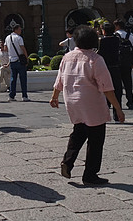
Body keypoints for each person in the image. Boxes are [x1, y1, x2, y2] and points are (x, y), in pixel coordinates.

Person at [52, 25, 124, 185]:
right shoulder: (95, 59)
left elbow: (59, 80)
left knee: (78, 133)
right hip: (92, 103)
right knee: (96, 138)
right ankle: (90, 174)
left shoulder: (67, 57)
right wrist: (118, 108)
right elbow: (107, 87)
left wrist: (54, 97)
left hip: (72, 102)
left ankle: (68, 161)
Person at [5, 24, 29, 101]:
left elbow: (5, 49)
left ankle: (11, 96)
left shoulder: (7, 38)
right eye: (19, 29)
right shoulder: (19, 38)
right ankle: (24, 96)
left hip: (12, 60)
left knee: (13, 79)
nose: (20, 31)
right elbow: (23, 48)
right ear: (16, 30)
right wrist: (26, 58)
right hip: (20, 61)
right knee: (23, 79)